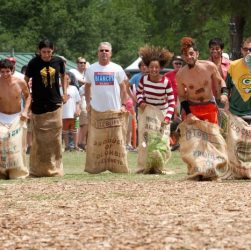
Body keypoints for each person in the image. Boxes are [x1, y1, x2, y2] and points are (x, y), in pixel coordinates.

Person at [25, 38, 67, 177]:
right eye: (44, 52)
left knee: (55, 138)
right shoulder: (33, 63)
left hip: (54, 102)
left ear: (53, 50)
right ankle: (37, 169)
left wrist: (65, 93)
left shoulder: (58, 61)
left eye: (49, 51)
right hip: (38, 103)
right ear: (39, 51)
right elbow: (25, 80)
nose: (46, 54)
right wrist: (28, 96)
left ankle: (56, 168)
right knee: (38, 138)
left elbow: (63, 76)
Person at [176, 37, 228, 124]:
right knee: (191, 136)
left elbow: (221, 81)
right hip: (192, 107)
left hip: (209, 106)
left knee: (213, 135)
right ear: (183, 57)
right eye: (186, 55)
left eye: (191, 53)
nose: (189, 57)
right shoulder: (180, 74)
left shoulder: (209, 66)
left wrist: (225, 94)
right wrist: (188, 113)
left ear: (197, 53)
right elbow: (181, 96)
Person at [0, 59, 31, 179]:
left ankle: (18, 172)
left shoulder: (20, 82)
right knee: (2, 144)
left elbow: (28, 96)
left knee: (17, 145)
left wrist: (25, 111)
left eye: (7, 71)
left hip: (17, 117)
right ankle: (2, 173)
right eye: (2, 72)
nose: (5, 74)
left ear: (12, 71)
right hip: (1, 116)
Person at [85, 42, 128, 113]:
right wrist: (88, 103)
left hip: (115, 109)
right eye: (101, 50)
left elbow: (123, 87)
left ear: (110, 54)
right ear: (98, 53)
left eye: (106, 50)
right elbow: (87, 86)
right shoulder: (91, 69)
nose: (104, 52)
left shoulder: (117, 68)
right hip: (96, 110)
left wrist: (123, 105)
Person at [137, 45, 175, 124]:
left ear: (160, 68)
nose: (154, 69)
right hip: (147, 113)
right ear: (148, 67)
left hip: (162, 114)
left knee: (162, 137)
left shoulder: (166, 82)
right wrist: (141, 102)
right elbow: (138, 93)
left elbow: (171, 101)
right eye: (151, 67)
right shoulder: (143, 79)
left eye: (156, 67)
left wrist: (168, 117)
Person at [226, 37, 251, 121]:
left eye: (250, 50)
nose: (248, 52)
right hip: (235, 115)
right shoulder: (233, 65)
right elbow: (226, 88)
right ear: (241, 50)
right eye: (245, 49)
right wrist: (226, 106)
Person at [164, 56, 184, 151]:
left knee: (181, 124)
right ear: (173, 64)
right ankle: (171, 143)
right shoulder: (167, 75)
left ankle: (179, 144)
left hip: (182, 103)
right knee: (169, 124)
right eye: (176, 63)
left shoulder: (185, 74)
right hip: (170, 103)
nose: (178, 65)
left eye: (180, 63)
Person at [208, 38, 231, 106]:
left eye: (217, 48)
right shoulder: (205, 65)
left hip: (227, 100)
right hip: (211, 100)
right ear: (209, 50)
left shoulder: (230, 64)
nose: (214, 51)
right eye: (212, 49)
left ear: (222, 50)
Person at [62, 72, 82, 151]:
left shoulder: (74, 88)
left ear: (70, 80)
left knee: (75, 130)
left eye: (67, 79)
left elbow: (78, 101)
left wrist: (78, 110)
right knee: (65, 131)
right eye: (64, 79)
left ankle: (76, 146)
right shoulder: (60, 89)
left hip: (74, 113)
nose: (66, 81)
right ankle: (67, 146)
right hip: (64, 114)